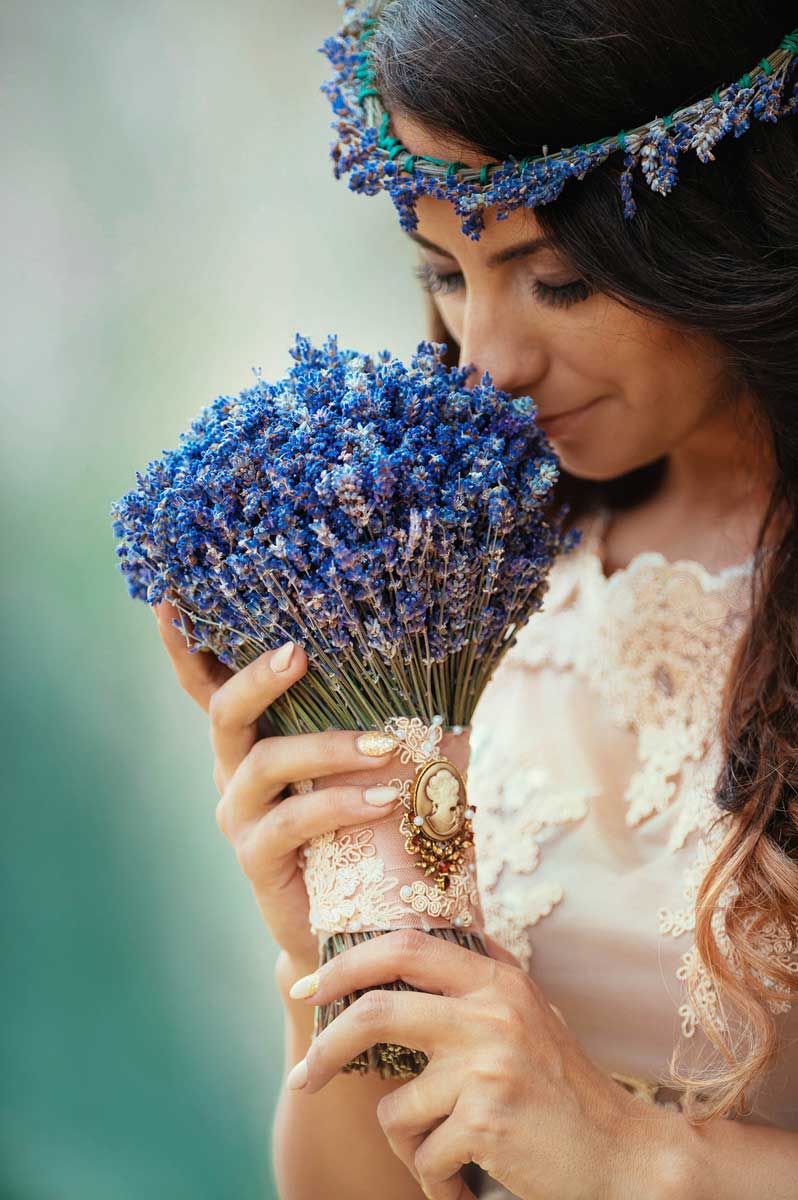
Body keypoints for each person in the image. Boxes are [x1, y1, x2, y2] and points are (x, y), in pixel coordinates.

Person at [154, 2, 798, 1197]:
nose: (490, 361)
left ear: (739, 220)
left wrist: (634, 1155)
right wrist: (334, 961)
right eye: (443, 273)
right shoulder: (442, 585)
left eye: (557, 279)